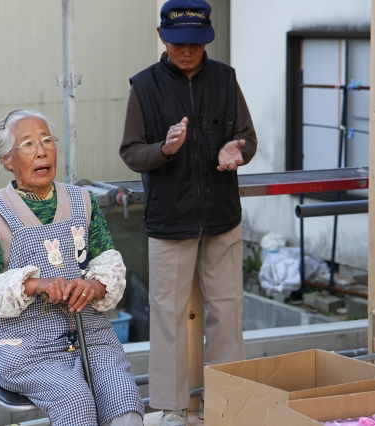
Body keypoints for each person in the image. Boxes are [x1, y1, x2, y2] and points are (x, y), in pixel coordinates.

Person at [0, 109, 144, 426]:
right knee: (76, 401)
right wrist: (32, 285)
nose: (41, 150)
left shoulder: (82, 200)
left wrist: (95, 286)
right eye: (28, 144)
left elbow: (107, 261)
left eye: (46, 140)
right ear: (6, 159)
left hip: (90, 337)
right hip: (26, 348)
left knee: (124, 400)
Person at [119, 1, 257, 425]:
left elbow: (246, 137)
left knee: (228, 311)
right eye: (180, 43)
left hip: (222, 216)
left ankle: (228, 402)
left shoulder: (225, 78)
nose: (188, 52)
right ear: (162, 37)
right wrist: (164, 149)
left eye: (196, 44)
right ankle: (171, 409)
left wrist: (240, 151)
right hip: (169, 219)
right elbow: (130, 152)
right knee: (167, 317)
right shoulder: (144, 86)